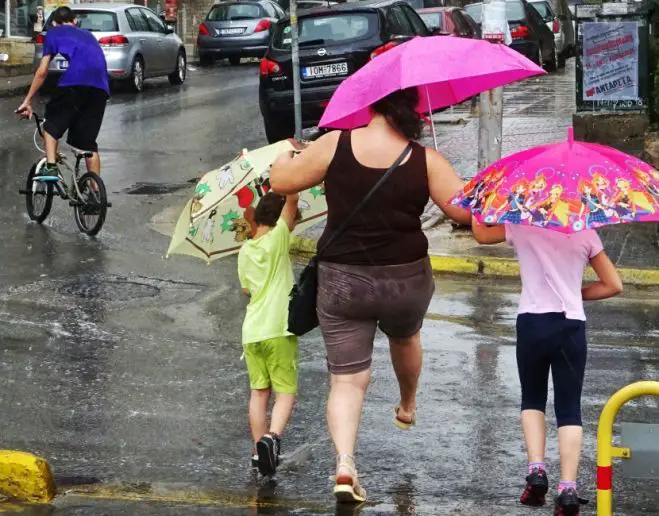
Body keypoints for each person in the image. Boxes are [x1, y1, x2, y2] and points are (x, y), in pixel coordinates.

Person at [269, 87, 471, 503]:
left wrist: (285, 155)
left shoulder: (333, 144)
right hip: (406, 280)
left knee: (346, 379)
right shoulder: (426, 159)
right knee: (405, 337)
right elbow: (464, 212)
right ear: (412, 110)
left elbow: (280, 181)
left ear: (373, 104)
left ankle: (345, 464)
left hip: (343, 280)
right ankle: (408, 404)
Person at [471, 220, 623, 515]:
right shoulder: (585, 233)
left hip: (531, 322)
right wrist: (576, 294)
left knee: (532, 399)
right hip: (570, 324)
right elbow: (613, 284)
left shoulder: (521, 227)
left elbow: (480, 234)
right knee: (569, 409)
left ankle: (537, 471)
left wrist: (483, 206)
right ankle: (568, 490)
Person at [237, 191, 300, 477]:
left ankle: (256, 450)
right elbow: (293, 201)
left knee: (259, 392)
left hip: (252, 332)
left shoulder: (245, 250)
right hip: (278, 328)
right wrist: (290, 176)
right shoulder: (277, 239)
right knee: (285, 392)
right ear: (278, 221)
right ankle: (272, 439)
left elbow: (247, 290)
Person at [17, 6, 109, 181]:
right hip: (101, 87)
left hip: (74, 81)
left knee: (52, 124)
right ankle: (96, 192)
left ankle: (51, 167)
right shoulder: (88, 35)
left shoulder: (53, 33)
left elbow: (42, 72)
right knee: (87, 144)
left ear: (53, 23)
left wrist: (27, 101)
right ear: (75, 21)